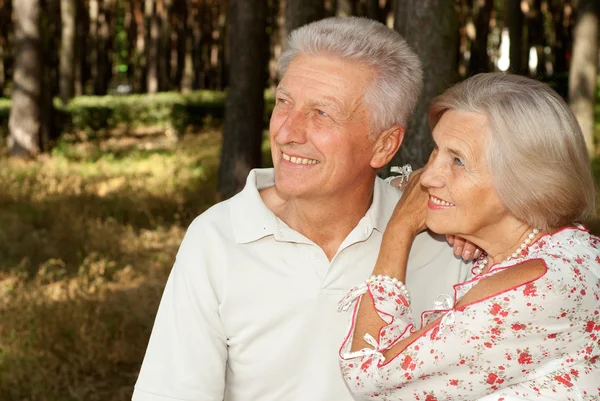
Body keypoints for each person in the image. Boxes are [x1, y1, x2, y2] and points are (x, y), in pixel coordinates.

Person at [132, 17, 472, 401]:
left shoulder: (442, 239)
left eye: (321, 113)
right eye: (284, 103)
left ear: (384, 145)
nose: (286, 132)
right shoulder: (218, 237)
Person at [338, 73, 600, 400]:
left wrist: (399, 228)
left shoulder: (532, 292)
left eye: (458, 161)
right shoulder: (573, 248)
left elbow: (370, 376)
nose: (429, 176)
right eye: (437, 152)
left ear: (524, 182)